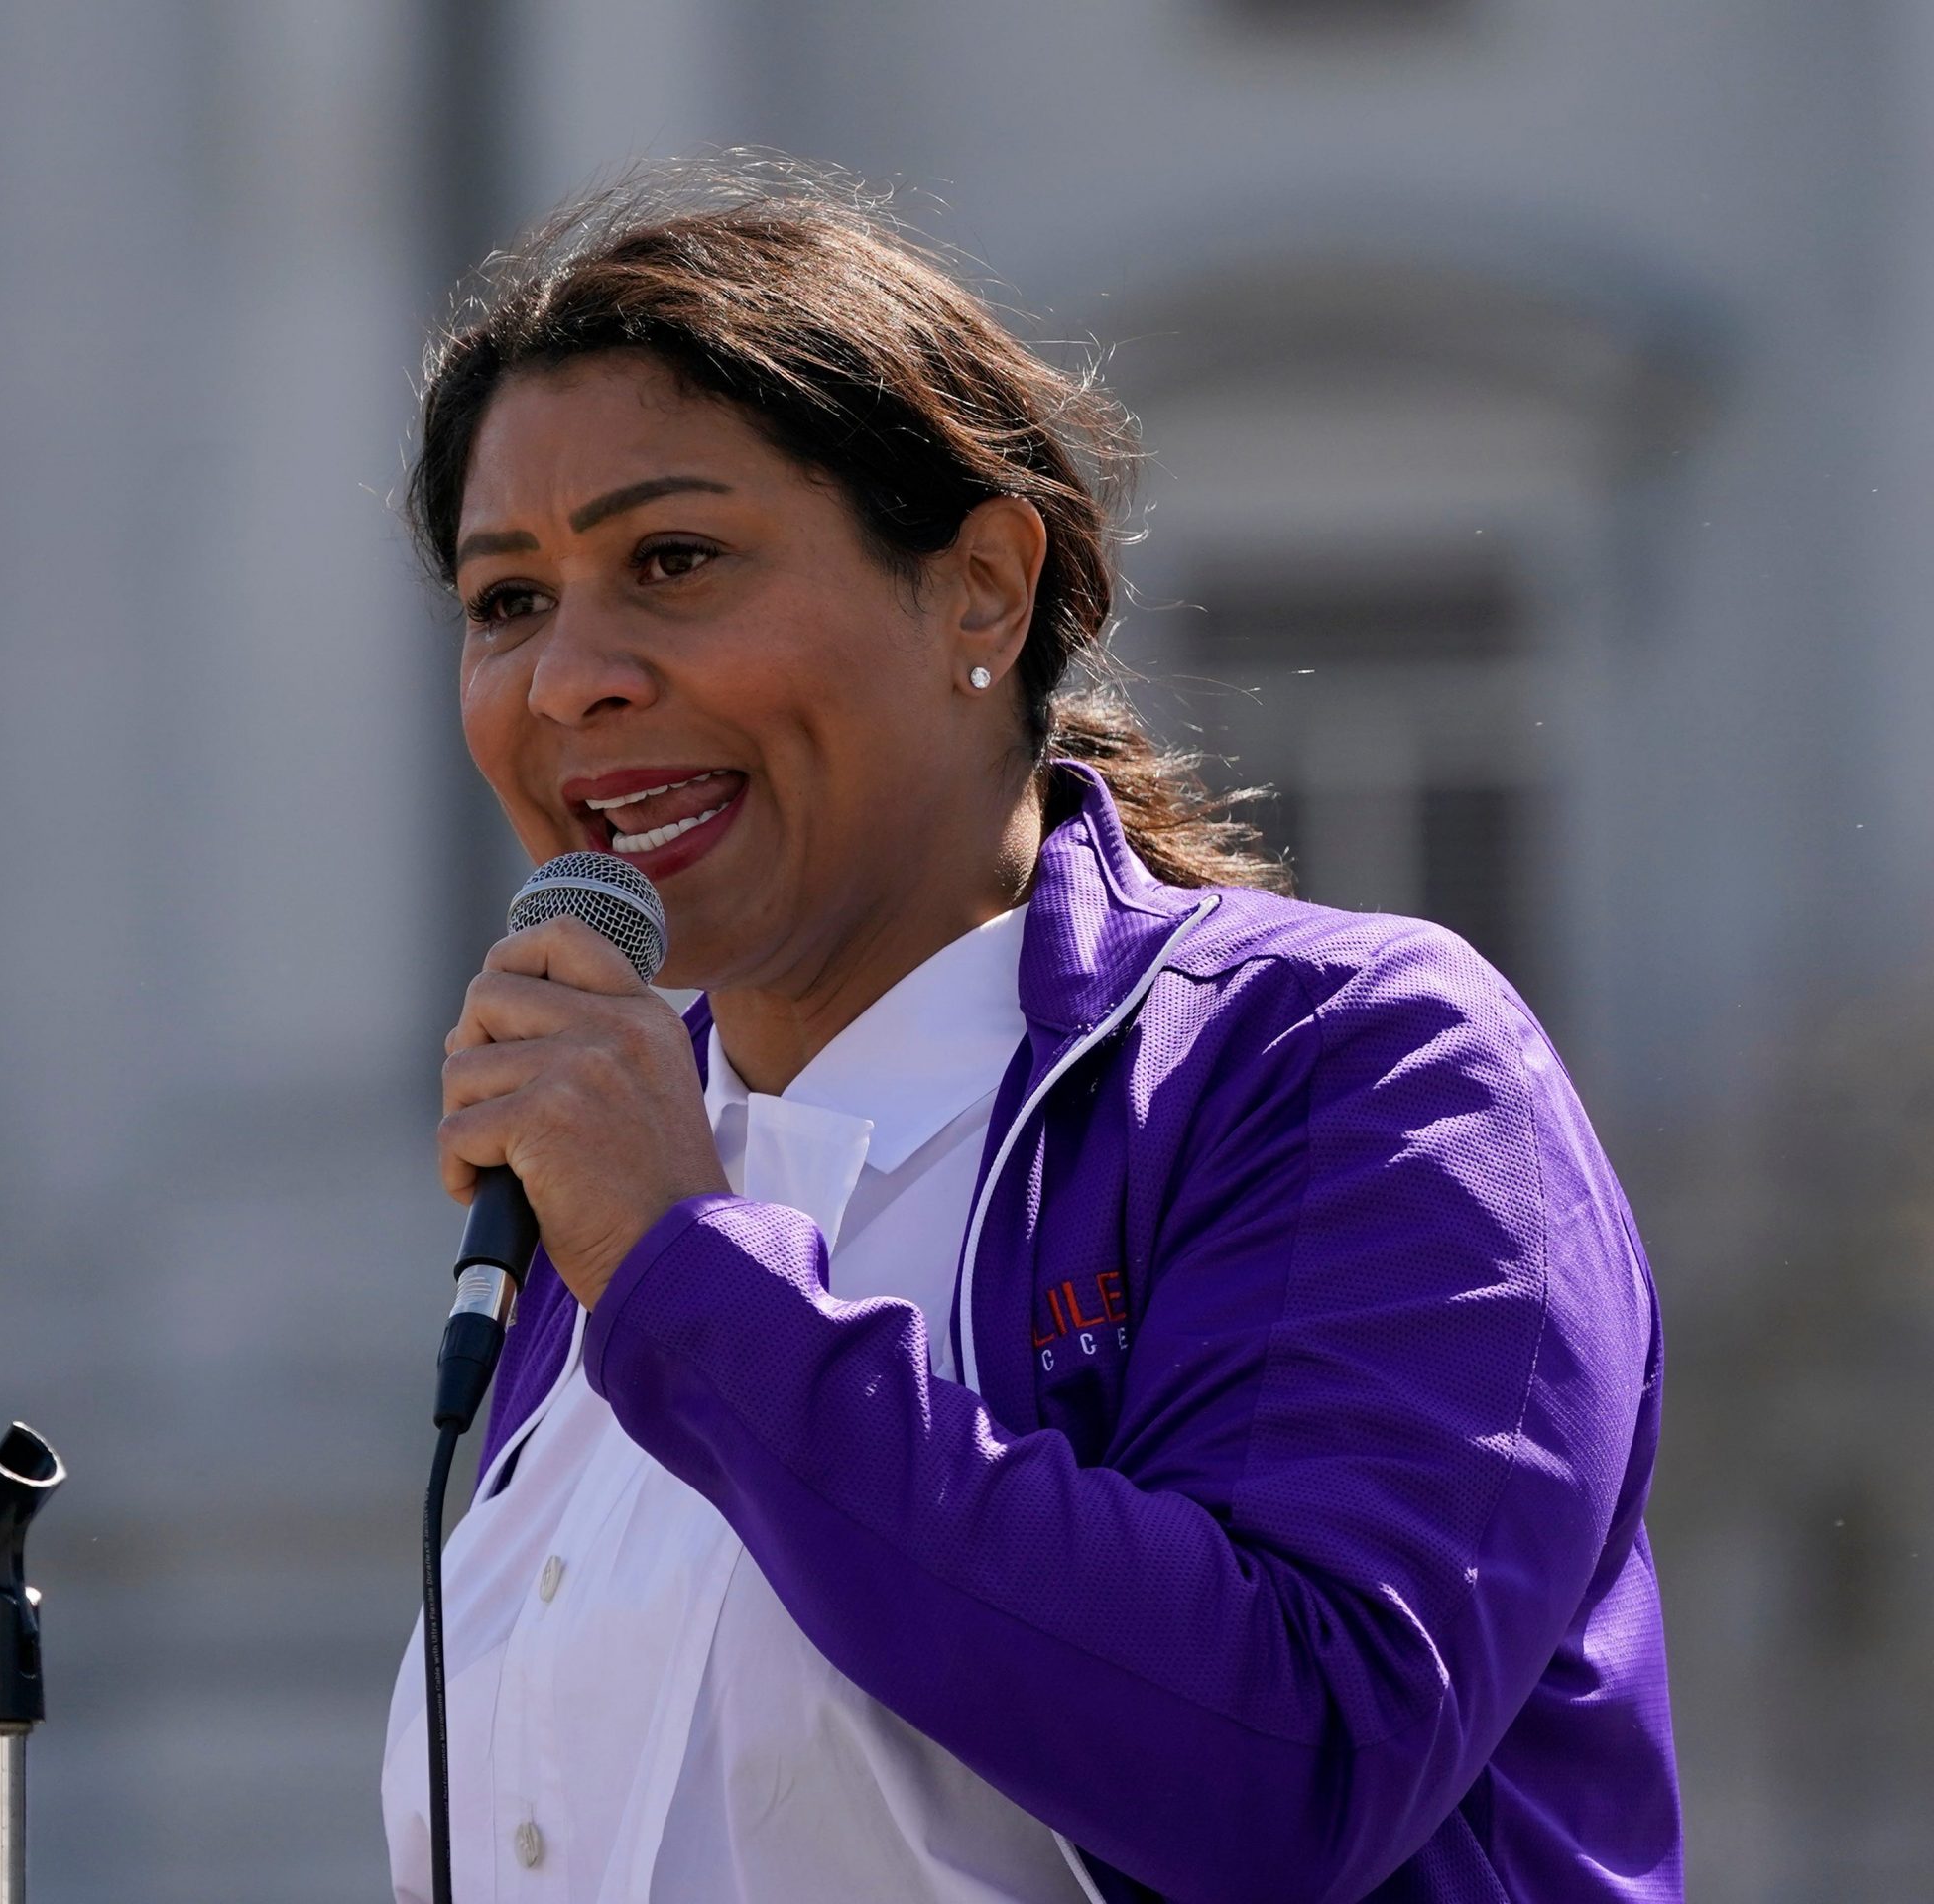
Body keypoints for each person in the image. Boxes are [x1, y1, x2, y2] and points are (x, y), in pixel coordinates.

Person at [380, 163, 1681, 1904]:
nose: (569, 682)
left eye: (673, 560)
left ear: (984, 589)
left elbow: (1297, 1758)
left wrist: (689, 1274)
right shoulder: (599, 1205)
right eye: (506, 601)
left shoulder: (1350, 1062)